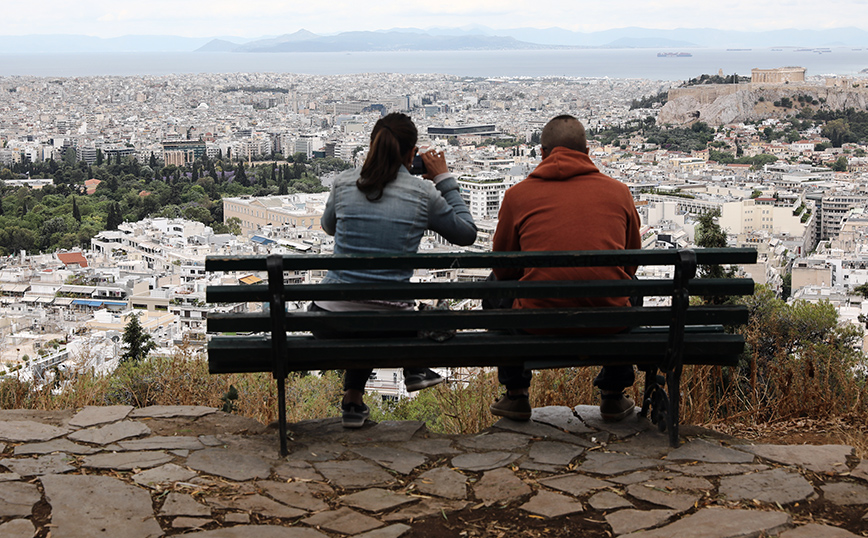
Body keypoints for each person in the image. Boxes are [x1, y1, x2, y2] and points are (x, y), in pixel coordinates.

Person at [313, 112, 477, 428]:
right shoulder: (422, 193)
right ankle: (414, 367)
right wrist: (442, 179)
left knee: (362, 310)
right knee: (387, 311)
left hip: (328, 320)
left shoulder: (345, 182)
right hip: (391, 326)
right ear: (412, 154)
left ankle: (353, 401)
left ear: (373, 145)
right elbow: (466, 233)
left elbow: (328, 227)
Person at [488, 114, 642, 423]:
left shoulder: (517, 196)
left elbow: (503, 268)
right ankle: (612, 394)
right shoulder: (619, 192)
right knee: (632, 288)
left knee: (493, 289)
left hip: (536, 320)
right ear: (586, 152)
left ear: (542, 153)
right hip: (608, 320)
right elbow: (630, 262)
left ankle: (516, 395)